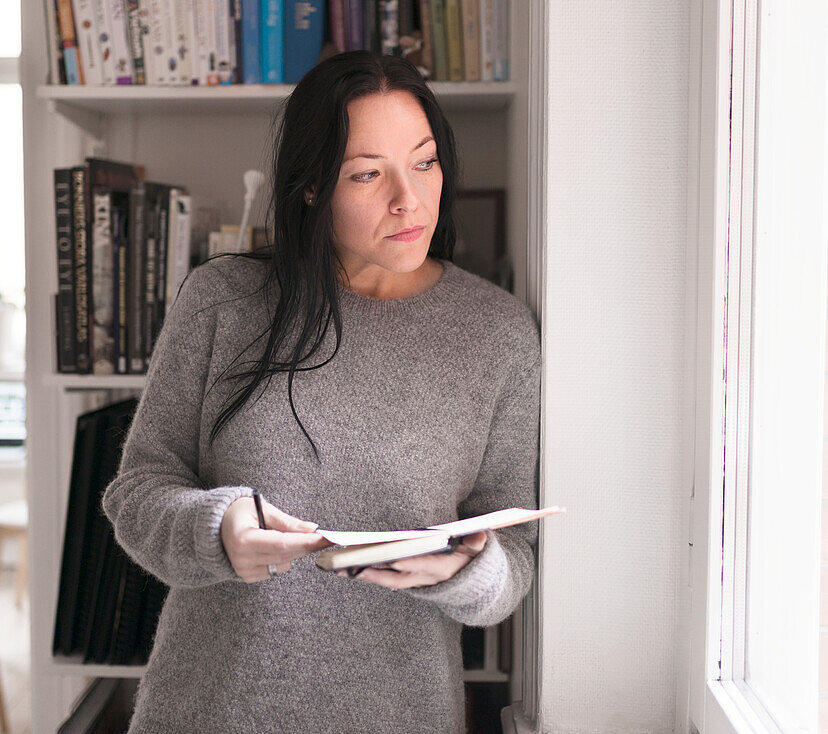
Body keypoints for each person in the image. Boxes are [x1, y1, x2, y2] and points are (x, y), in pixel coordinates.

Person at [102, 50, 540, 733]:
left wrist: (464, 572)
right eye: (368, 173)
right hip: (212, 710)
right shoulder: (223, 302)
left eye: (424, 162)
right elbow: (136, 494)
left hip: (404, 713)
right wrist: (219, 530)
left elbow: (513, 560)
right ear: (310, 186)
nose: (410, 199)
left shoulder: (499, 333)